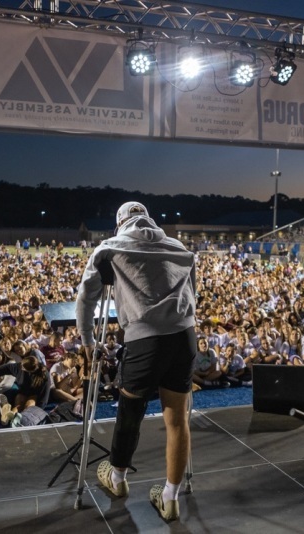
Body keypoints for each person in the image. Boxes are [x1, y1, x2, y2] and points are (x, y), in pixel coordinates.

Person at [76, 201, 197, 521]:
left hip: (145, 339)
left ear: (119, 224)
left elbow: (85, 298)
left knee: (131, 409)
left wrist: (87, 340)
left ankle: (117, 478)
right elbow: (193, 293)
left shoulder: (109, 247)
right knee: (177, 418)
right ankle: (170, 497)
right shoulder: (178, 246)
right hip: (185, 336)